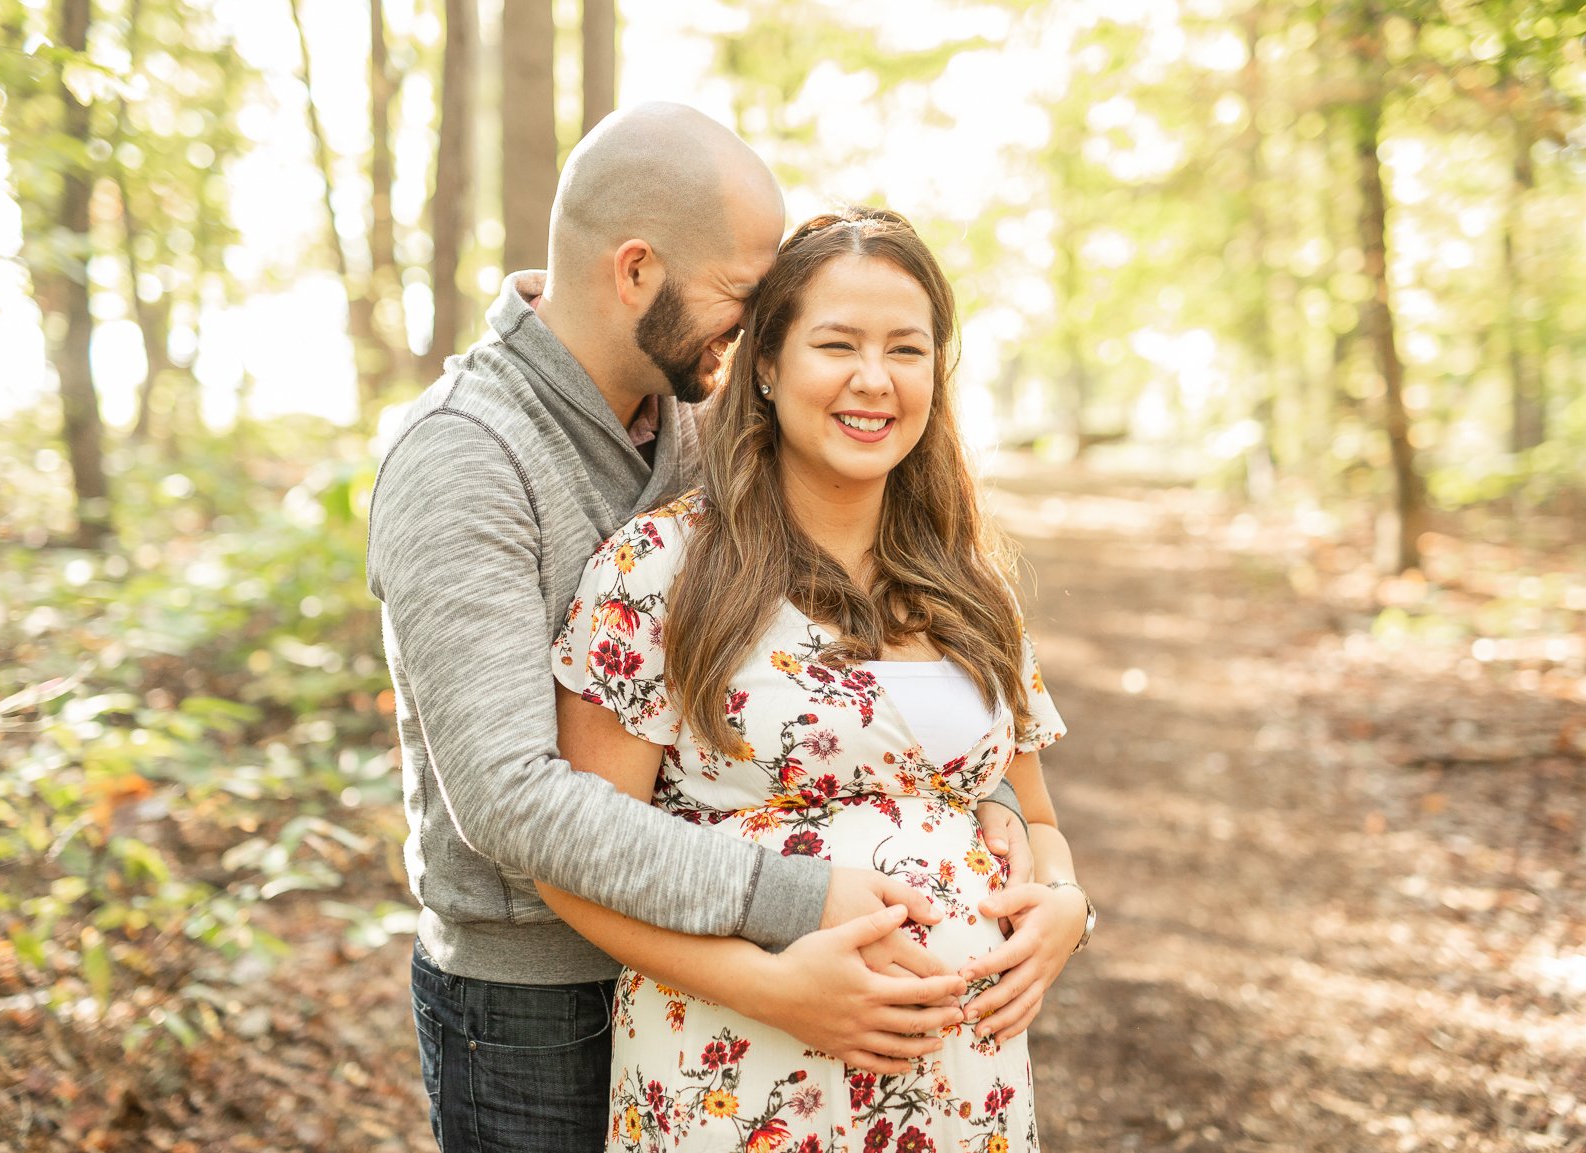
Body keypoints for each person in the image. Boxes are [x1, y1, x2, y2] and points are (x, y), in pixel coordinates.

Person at [365, 106, 1036, 1152]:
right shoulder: (463, 457)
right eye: (739, 294)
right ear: (636, 272)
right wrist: (793, 906)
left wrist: (978, 798)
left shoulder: (684, 420)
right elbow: (510, 799)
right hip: (531, 1000)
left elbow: (821, 651)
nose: (749, 324)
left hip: (737, 977)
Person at [543, 207, 1094, 1150]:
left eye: (906, 349)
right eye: (836, 343)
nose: (873, 380)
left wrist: (1067, 908)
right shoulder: (662, 571)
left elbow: (1033, 817)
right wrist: (778, 989)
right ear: (766, 363)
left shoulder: (970, 583)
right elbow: (579, 865)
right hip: (741, 1076)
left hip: (965, 1096)